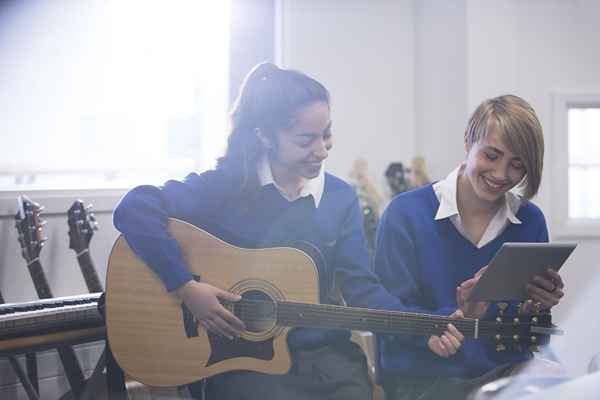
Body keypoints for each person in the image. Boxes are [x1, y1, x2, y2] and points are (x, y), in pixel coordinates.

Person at [112, 62, 463, 400]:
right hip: (242, 361)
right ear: (265, 136)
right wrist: (185, 286)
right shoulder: (226, 186)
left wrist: (424, 329)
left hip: (326, 359)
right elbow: (135, 208)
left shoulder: (339, 198)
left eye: (326, 134)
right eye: (305, 139)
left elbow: (363, 290)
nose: (322, 150)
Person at [374, 94, 566, 400]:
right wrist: (454, 317)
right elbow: (385, 311)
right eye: (491, 156)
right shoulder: (405, 214)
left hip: (504, 376)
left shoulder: (530, 221)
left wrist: (537, 307)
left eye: (517, 165)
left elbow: (524, 335)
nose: (502, 175)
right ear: (468, 140)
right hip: (424, 377)